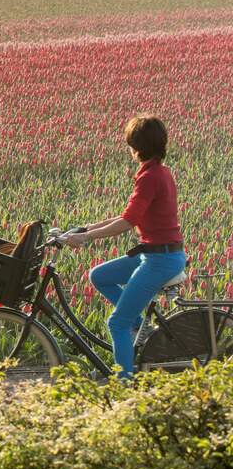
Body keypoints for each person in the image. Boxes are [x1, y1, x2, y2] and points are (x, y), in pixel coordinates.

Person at [61, 114, 185, 379]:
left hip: (160, 261)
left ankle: (124, 385)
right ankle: (140, 327)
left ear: (137, 148)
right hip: (157, 254)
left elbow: (127, 222)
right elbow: (128, 215)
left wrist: (87, 238)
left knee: (117, 323)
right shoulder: (159, 172)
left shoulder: (150, 177)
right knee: (99, 275)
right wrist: (85, 228)